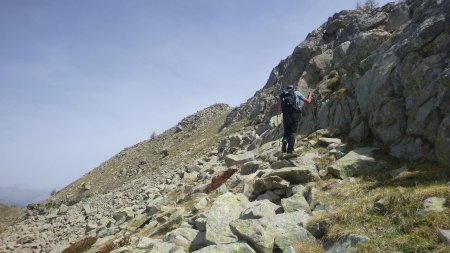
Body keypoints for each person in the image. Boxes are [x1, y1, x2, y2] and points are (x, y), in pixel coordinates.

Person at [279, 84, 312, 153]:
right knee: (292, 132)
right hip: (295, 113)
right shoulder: (296, 93)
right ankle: (290, 150)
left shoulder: (283, 95)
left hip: (285, 114)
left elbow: (279, 105)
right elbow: (308, 101)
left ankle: (285, 140)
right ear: (293, 88)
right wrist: (310, 95)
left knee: (287, 130)